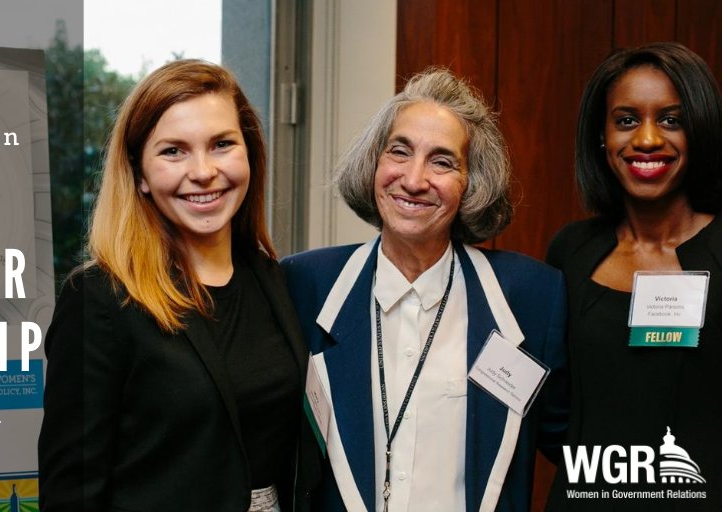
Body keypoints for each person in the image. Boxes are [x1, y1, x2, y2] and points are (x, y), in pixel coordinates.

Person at [282, 68, 568, 512]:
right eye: (399, 151)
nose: (414, 180)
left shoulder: (530, 297)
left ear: (471, 183)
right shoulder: (305, 285)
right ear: (374, 163)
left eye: (442, 162)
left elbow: (578, 445)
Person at [37, 60, 316, 512]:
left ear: (249, 154)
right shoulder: (100, 300)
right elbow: (71, 495)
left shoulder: (269, 278)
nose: (203, 171)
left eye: (222, 144)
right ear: (140, 174)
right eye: (173, 151)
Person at [546, 42, 722, 511]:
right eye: (626, 120)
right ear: (602, 137)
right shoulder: (570, 252)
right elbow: (552, 405)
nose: (646, 140)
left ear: (700, 129)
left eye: (671, 120)